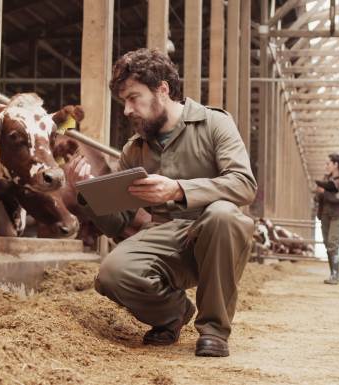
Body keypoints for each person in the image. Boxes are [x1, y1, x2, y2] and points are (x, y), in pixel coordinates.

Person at [66, 48, 256, 357]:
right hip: (166, 238)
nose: (127, 110)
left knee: (222, 215)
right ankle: (173, 314)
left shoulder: (214, 124)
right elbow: (118, 223)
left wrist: (178, 190)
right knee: (112, 273)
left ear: (162, 90)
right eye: (123, 101)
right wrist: (86, 194)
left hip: (217, 234)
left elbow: (244, 184)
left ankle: (214, 330)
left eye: (133, 98)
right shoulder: (135, 150)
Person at [315, 153, 339, 285]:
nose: (326, 166)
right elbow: (318, 198)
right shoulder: (326, 178)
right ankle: (333, 274)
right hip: (325, 214)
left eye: (328, 163)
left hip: (338, 215)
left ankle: (335, 276)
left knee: (332, 243)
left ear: (335, 164)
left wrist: (324, 193)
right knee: (327, 244)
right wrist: (319, 193)